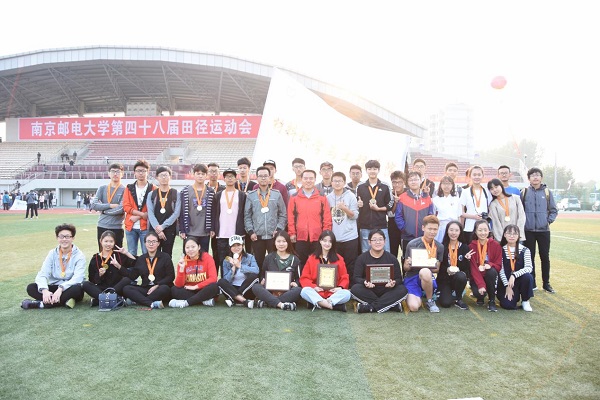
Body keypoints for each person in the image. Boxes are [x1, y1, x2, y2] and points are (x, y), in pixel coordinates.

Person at [22, 224, 86, 309]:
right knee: (31, 287)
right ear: (57, 238)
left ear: (73, 238)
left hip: (70, 287)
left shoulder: (79, 255)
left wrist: (61, 289)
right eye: (61, 236)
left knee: (77, 289)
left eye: (67, 237)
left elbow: (78, 278)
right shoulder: (52, 253)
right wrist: (44, 290)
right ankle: (64, 300)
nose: (64, 239)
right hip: (54, 287)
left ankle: (41, 304)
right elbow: (43, 273)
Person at [351, 229, 407, 313]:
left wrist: (393, 283)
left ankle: (370, 308)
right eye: (374, 240)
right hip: (369, 290)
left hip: (387, 290)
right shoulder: (361, 258)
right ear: (369, 242)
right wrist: (365, 282)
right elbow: (356, 278)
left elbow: (399, 278)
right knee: (355, 289)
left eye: (380, 239)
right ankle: (390, 306)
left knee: (402, 289)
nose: (378, 242)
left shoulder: (392, 258)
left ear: (385, 241)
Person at [520, 167, 558, 293]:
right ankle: (532, 282)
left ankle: (546, 283)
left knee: (544, 257)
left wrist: (548, 221)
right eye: (532, 175)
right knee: (529, 257)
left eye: (537, 175)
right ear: (529, 178)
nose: (535, 177)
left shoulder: (547, 192)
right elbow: (520, 210)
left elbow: (553, 210)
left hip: (544, 231)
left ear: (541, 177)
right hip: (528, 230)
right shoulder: (524, 192)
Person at [287, 169, 332, 269]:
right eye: (306, 178)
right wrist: (292, 233)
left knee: (317, 261)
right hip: (300, 236)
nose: (308, 181)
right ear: (301, 179)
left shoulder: (321, 197)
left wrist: (326, 234)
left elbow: (327, 217)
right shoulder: (294, 197)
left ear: (315, 180)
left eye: (311, 178)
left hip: (318, 236)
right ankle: (302, 279)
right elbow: (291, 217)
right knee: (301, 262)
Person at [244, 166, 287, 270]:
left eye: (265, 176)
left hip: (273, 236)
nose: (263, 178)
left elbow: (283, 214)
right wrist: (251, 232)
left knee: (275, 263)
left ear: (269, 177)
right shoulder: (251, 195)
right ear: (257, 178)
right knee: (258, 263)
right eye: (260, 176)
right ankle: (259, 280)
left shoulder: (277, 194)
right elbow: (247, 215)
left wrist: (279, 229)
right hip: (257, 236)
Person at [300, 230, 351, 311]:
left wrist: (340, 288)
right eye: (325, 241)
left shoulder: (339, 259)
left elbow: (344, 277)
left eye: (330, 241)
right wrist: (314, 287)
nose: (327, 244)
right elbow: (304, 277)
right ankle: (330, 305)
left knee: (347, 294)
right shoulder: (312, 258)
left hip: (332, 292)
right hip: (317, 291)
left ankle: (319, 303)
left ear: (333, 244)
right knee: (304, 291)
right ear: (320, 241)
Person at [82, 230, 136, 306]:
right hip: (101, 289)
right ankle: (114, 300)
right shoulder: (95, 259)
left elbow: (135, 263)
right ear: (101, 241)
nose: (108, 244)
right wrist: (99, 274)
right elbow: (92, 280)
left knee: (127, 280)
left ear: (114, 242)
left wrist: (125, 255)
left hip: (117, 288)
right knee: (85, 284)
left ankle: (100, 300)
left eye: (111, 241)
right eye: (106, 241)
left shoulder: (118, 255)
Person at [122, 231, 174, 309]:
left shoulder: (165, 257)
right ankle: (151, 303)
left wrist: (157, 285)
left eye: (154, 241)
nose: (151, 244)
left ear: (158, 243)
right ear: (145, 243)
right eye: (148, 241)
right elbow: (133, 276)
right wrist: (119, 266)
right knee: (127, 288)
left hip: (160, 287)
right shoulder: (141, 259)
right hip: (146, 288)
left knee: (165, 289)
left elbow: (171, 277)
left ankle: (139, 300)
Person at [403, 215, 444, 313]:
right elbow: (405, 268)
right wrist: (408, 264)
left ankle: (430, 300)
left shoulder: (439, 246)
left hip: (427, 276)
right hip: (412, 277)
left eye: (435, 229)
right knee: (414, 307)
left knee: (425, 271)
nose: (432, 232)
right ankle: (419, 294)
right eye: (430, 228)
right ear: (423, 228)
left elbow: (436, 269)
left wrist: (425, 264)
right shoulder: (412, 244)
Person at [252, 230, 302, 310]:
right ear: (274, 243)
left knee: (298, 290)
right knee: (256, 287)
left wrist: (296, 283)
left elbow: (299, 278)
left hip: (287, 291)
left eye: (284, 241)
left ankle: (268, 302)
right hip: (270, 291)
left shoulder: (295, 259)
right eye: (278, 241)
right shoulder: (269, 258)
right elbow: (262, 275)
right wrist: (263, 280)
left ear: (288, 243)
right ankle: (281, 304)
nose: (281, 244)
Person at [211, 168, 246, 273]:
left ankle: (236, 281)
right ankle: (224, 281)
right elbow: (214, 213)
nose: (230, 179)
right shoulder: (218, 195)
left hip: (237, 234)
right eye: (227, 177)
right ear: (224, 179)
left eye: (232, 177)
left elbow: (244, 213)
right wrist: (213, 229)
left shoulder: (241, 195)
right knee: (223, 261)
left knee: (237, 260)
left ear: (236, 179)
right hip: (222, 234)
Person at [169, 237, 220, 308]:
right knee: (174, 290)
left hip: (204, 289)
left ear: (199, 247)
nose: (190, 249)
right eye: (187, 247)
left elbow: (213, 278)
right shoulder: (183, 261)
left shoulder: (207, 257)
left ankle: (186, 303)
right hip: (189, 290)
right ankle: (203, 301)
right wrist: (181, 269)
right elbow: (179, 285)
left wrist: (196, 287)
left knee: (214, 287)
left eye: (193, 247)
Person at [327, 171, 359, 280]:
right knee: (335, 264)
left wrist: (344, 208)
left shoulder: (351, 196)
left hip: (349, 237)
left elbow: (355, 216)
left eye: (340, 181)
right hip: (334, 238)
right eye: (335, 181)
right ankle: (337, 284)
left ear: (344, 182)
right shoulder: (328, 198)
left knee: (350, 264)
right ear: (331, 183)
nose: (337, 183)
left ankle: (351, 285)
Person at [395, 171, 434, 262]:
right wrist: (404, 228)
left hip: (424, 236)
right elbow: (398, 216)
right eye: (411, 180)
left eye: (416, 179)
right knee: (407, 260)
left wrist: (427, 230)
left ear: (420, 181)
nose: (413, 182)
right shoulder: (402, 197)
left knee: (423, 261)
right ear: (407, 182)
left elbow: (431, 216)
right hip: (407, 236)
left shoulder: (427, 198)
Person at [356, 160, 394, 252]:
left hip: (381, 225)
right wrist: (358, 204)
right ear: (366, 170)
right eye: (369, 169)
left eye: (375, 169)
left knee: (385, 251)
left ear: (378, 170)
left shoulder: (385, 186)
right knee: (366, 252)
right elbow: (355, 203)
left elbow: (390, 204)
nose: (372, 171)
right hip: (365, 226)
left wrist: (379, 209)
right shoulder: (360, 186)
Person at [437, 220, 474, 309]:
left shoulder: (464, 247)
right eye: (451, 230)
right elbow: (439, 267)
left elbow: (466, 270)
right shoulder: (442, 247)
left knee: (461, 276)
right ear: (447, 231)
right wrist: (447, 270)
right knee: (446, 303)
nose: (453, 233)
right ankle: (443, 293)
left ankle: (458, 298)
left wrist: (466, 260)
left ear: (460, 232)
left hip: (458, 278)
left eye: (456, 230)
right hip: (445, 279)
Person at [179, 163, 215, 253]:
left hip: (204, 232)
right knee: (189, 255)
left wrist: (212, 228)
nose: (200, 176)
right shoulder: (185, 191)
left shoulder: (210, 192)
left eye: (203, 174)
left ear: (206, 175)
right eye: (198, 173)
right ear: (193, 174)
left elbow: (213, 212)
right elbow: (181, 212)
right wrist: (182, 229)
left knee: (203, 255)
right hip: (190, 231)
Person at [498, 225, 534, 311]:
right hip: (505, 281)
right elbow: (500, 269)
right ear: (504, 235)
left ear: (518, 236)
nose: (512, 236)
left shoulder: (525, 250)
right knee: (508, 305)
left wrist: (514, 275)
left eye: (515, 234)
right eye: (509, 233)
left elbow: (529, 268)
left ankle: (525, 300)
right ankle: (513, 296)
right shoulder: (500, 250)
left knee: (528, 276)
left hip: (519, 279)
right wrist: (507, 285)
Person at [122, 160, 155, 256]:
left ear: (148, 172)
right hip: (130, 226)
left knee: (147, 253)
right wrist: (141, 214)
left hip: (146, 226)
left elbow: (153, 209)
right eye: (138, 171)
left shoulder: (153, 188)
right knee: (131, 253)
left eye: (143, 171)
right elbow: (126, 206)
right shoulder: (129, 188)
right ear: (134, 173)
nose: (141, 173)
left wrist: (138, 217)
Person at [468, 220, 502, 312]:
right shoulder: (471, 246)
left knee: (491, 271)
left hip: (489, 276)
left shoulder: (496, 245)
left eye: (485, 230)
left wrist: (490, 265)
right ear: (475, 232)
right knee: (478, 293)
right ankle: (480, 297)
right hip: (477, 277)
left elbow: (499, 265)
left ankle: (491, 300)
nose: (483, 233)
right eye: (480, 230)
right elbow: (473, 268)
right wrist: (481, 285)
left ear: (489, 231)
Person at [90, 163, 126, 250]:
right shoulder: (102, 188)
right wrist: (110, 205)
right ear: (109, 173)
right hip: (102, 225)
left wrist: (104, 211)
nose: (115, 174)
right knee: (103, 253)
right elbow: (94, 205)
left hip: (116, 226)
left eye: (118, 172)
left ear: (122, 174)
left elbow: (121, 209)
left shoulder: (125, 190)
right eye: (113, 171)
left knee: (117, 254)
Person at [217, 235, 260, 308]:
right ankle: (244, 301)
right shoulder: (226, 260)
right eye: (233, 246)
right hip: (233, 288)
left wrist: (240, 266)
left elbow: (256, 270)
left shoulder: (250, 257)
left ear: (242, 246)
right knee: (221, 281)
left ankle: (235, 298)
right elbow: (226, 280)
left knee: (254, 276)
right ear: (230, 248)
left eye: (238, 245)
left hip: (246, 289)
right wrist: (233, 267)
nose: (236, 248)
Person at [147, 165, 181, 257]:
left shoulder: (176, 193)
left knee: (167, 255)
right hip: (154, 229)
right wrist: (158, 229)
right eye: (161, 175)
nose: (164, 178)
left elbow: (176, 213)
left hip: (169, 229)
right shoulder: (152, 194)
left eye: (166, 175)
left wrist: (163, 226)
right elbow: (150, 213)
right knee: (153, 255)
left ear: (170, 177)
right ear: (157, 178)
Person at [460, 165, 491, 242]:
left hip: (484, 228)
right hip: (469, 227)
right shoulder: (465, 192)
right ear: (470, 176)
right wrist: (474, 216)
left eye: (479, 175)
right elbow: (461, 212)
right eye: (474, 175)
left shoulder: (487, 191)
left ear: (483, 176)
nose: (477, 177)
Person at [432, 176, 462, 243]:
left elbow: (459, 216)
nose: (446, 186)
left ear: (452, 185)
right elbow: (433, 216)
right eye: (444, 183)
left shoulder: (456, 199)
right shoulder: (435, 200)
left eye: (449, 184)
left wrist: (460, 229)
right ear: (440, 185)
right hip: (441, 227)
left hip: (454, 228)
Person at [388, 170, 406, 258]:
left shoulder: (408, 193)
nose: (397, 185)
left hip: (405, 227)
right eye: (394, 182)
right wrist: (395, 203)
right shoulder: (388, 194)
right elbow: (390, 214)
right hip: (393, 227)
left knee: (406, 253)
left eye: (400, 182)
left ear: (404, 182)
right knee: (392, 253)